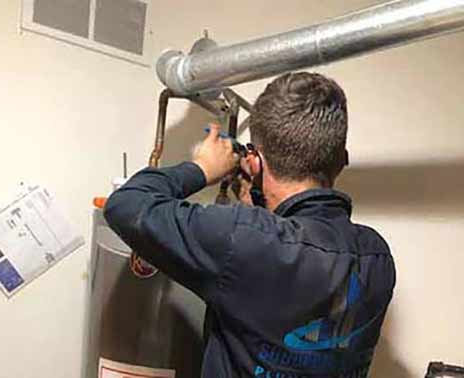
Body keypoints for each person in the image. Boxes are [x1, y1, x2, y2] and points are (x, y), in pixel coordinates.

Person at [104, 72, 396, 378]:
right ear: (340, 161)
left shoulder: (243, 239)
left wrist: (202, 168)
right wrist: (254, 202)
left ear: (255, 163)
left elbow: (126, 204)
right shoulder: (377, 257)